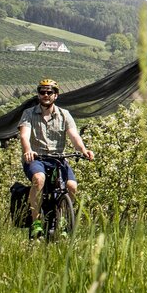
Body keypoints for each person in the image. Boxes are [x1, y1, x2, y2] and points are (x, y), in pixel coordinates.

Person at [19, 78, 94, 239]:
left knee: (72, 186)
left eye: (49, 92)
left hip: (58, 158)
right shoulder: (29, 114)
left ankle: (63, 220)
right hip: (37, 158)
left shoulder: (64, 115)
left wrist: (83, 150)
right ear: (38, 94)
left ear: (56, 95)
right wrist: (28, 150)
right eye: (42, 92)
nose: (45, 95)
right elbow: (24, 136)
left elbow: (74, 136)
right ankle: (36, 222)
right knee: (39, 179)